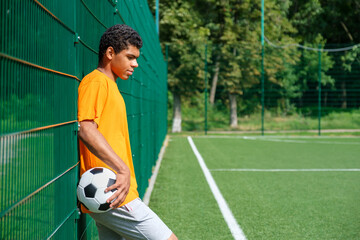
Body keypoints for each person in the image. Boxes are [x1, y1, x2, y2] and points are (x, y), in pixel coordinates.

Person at [77, 24, 177, 240]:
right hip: (111, 190)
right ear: (110, 53)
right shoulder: (96, 82)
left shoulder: (110, 85)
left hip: (111, 191)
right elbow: (85, 129)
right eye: (130, 57)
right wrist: (122, 170)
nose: (135, 63)